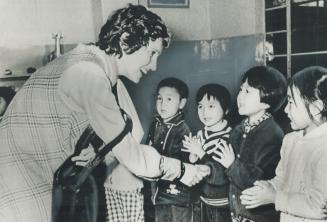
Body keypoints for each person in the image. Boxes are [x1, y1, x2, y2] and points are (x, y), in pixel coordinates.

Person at [0, 4, 210, 222]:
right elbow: (132, 156)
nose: (154, 65)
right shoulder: (90, 75)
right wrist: (183, 170)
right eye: (152, 53)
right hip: (17, 179)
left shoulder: (86, 62)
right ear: (126, 40)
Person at [240, 66, 327, 222]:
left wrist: (274, 197)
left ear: (316, 109)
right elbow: (282, 179)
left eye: (292, 102)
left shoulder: (323, 148)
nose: (286, 109)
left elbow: (318, 206)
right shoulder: (290, 140)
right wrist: (268, 187)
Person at [213, 66, 287, 222]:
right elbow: (224, 171)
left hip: (260, 217)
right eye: (241, 90)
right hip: (236, 213)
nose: (240, 96)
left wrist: (232, 165)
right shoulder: (238, 130)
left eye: (248, 92)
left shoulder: (272, 135)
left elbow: (259, 183)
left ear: (266, 101)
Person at [182, 83, 233, 222]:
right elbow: (196, 164)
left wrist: (200, 151)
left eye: (211, 106)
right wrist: (193, 156)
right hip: (202, 199)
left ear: (226, 109)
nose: (204, 112)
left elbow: (220, 172)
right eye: (200, 106)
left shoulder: (229, 136)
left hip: (221, 204)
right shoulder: (201, 133)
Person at [146, 77, 194, 222]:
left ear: (182, 103)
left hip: (177, 196)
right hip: (158, 193)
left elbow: (185, 164)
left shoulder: (183, 130)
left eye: (169, 99)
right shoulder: (155, 123)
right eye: (159, 98)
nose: (162, 104)